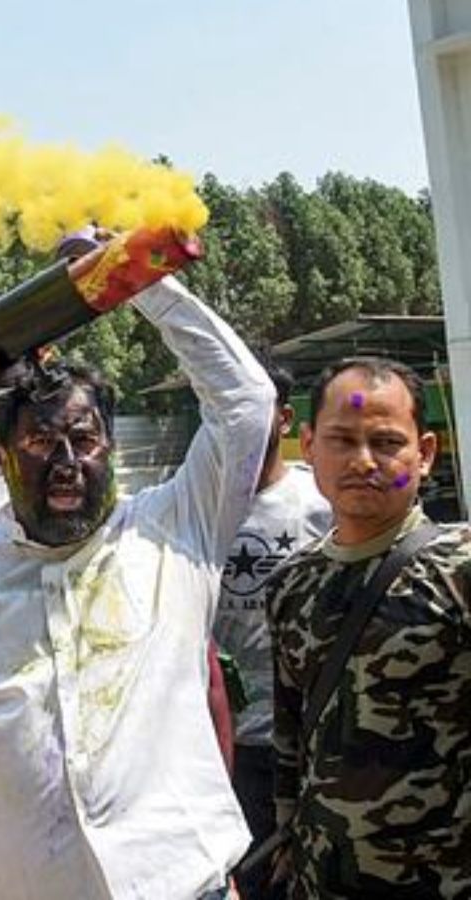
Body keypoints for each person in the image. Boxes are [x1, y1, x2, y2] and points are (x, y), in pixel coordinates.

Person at [0, 274, 274, 899]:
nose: (66, 458)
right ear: (4, 455)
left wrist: (141, 282)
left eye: (84, 439)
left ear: (110, 448)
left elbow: (247, 403)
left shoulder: (175, 532)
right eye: (40, 440)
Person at [264, 357, 468, 898]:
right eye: (341, 440)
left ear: (424, 454)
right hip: (321, 880)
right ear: (308, 446)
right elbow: (290, 736)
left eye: (386, 442)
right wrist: (288, 836)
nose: (363, 461)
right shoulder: (291, 586)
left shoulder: (460, 570)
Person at [210, 356, 330, 900]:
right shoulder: (195, 510)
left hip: (317, 738)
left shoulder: (321, 504)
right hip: (232, 748)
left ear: (283, 420)